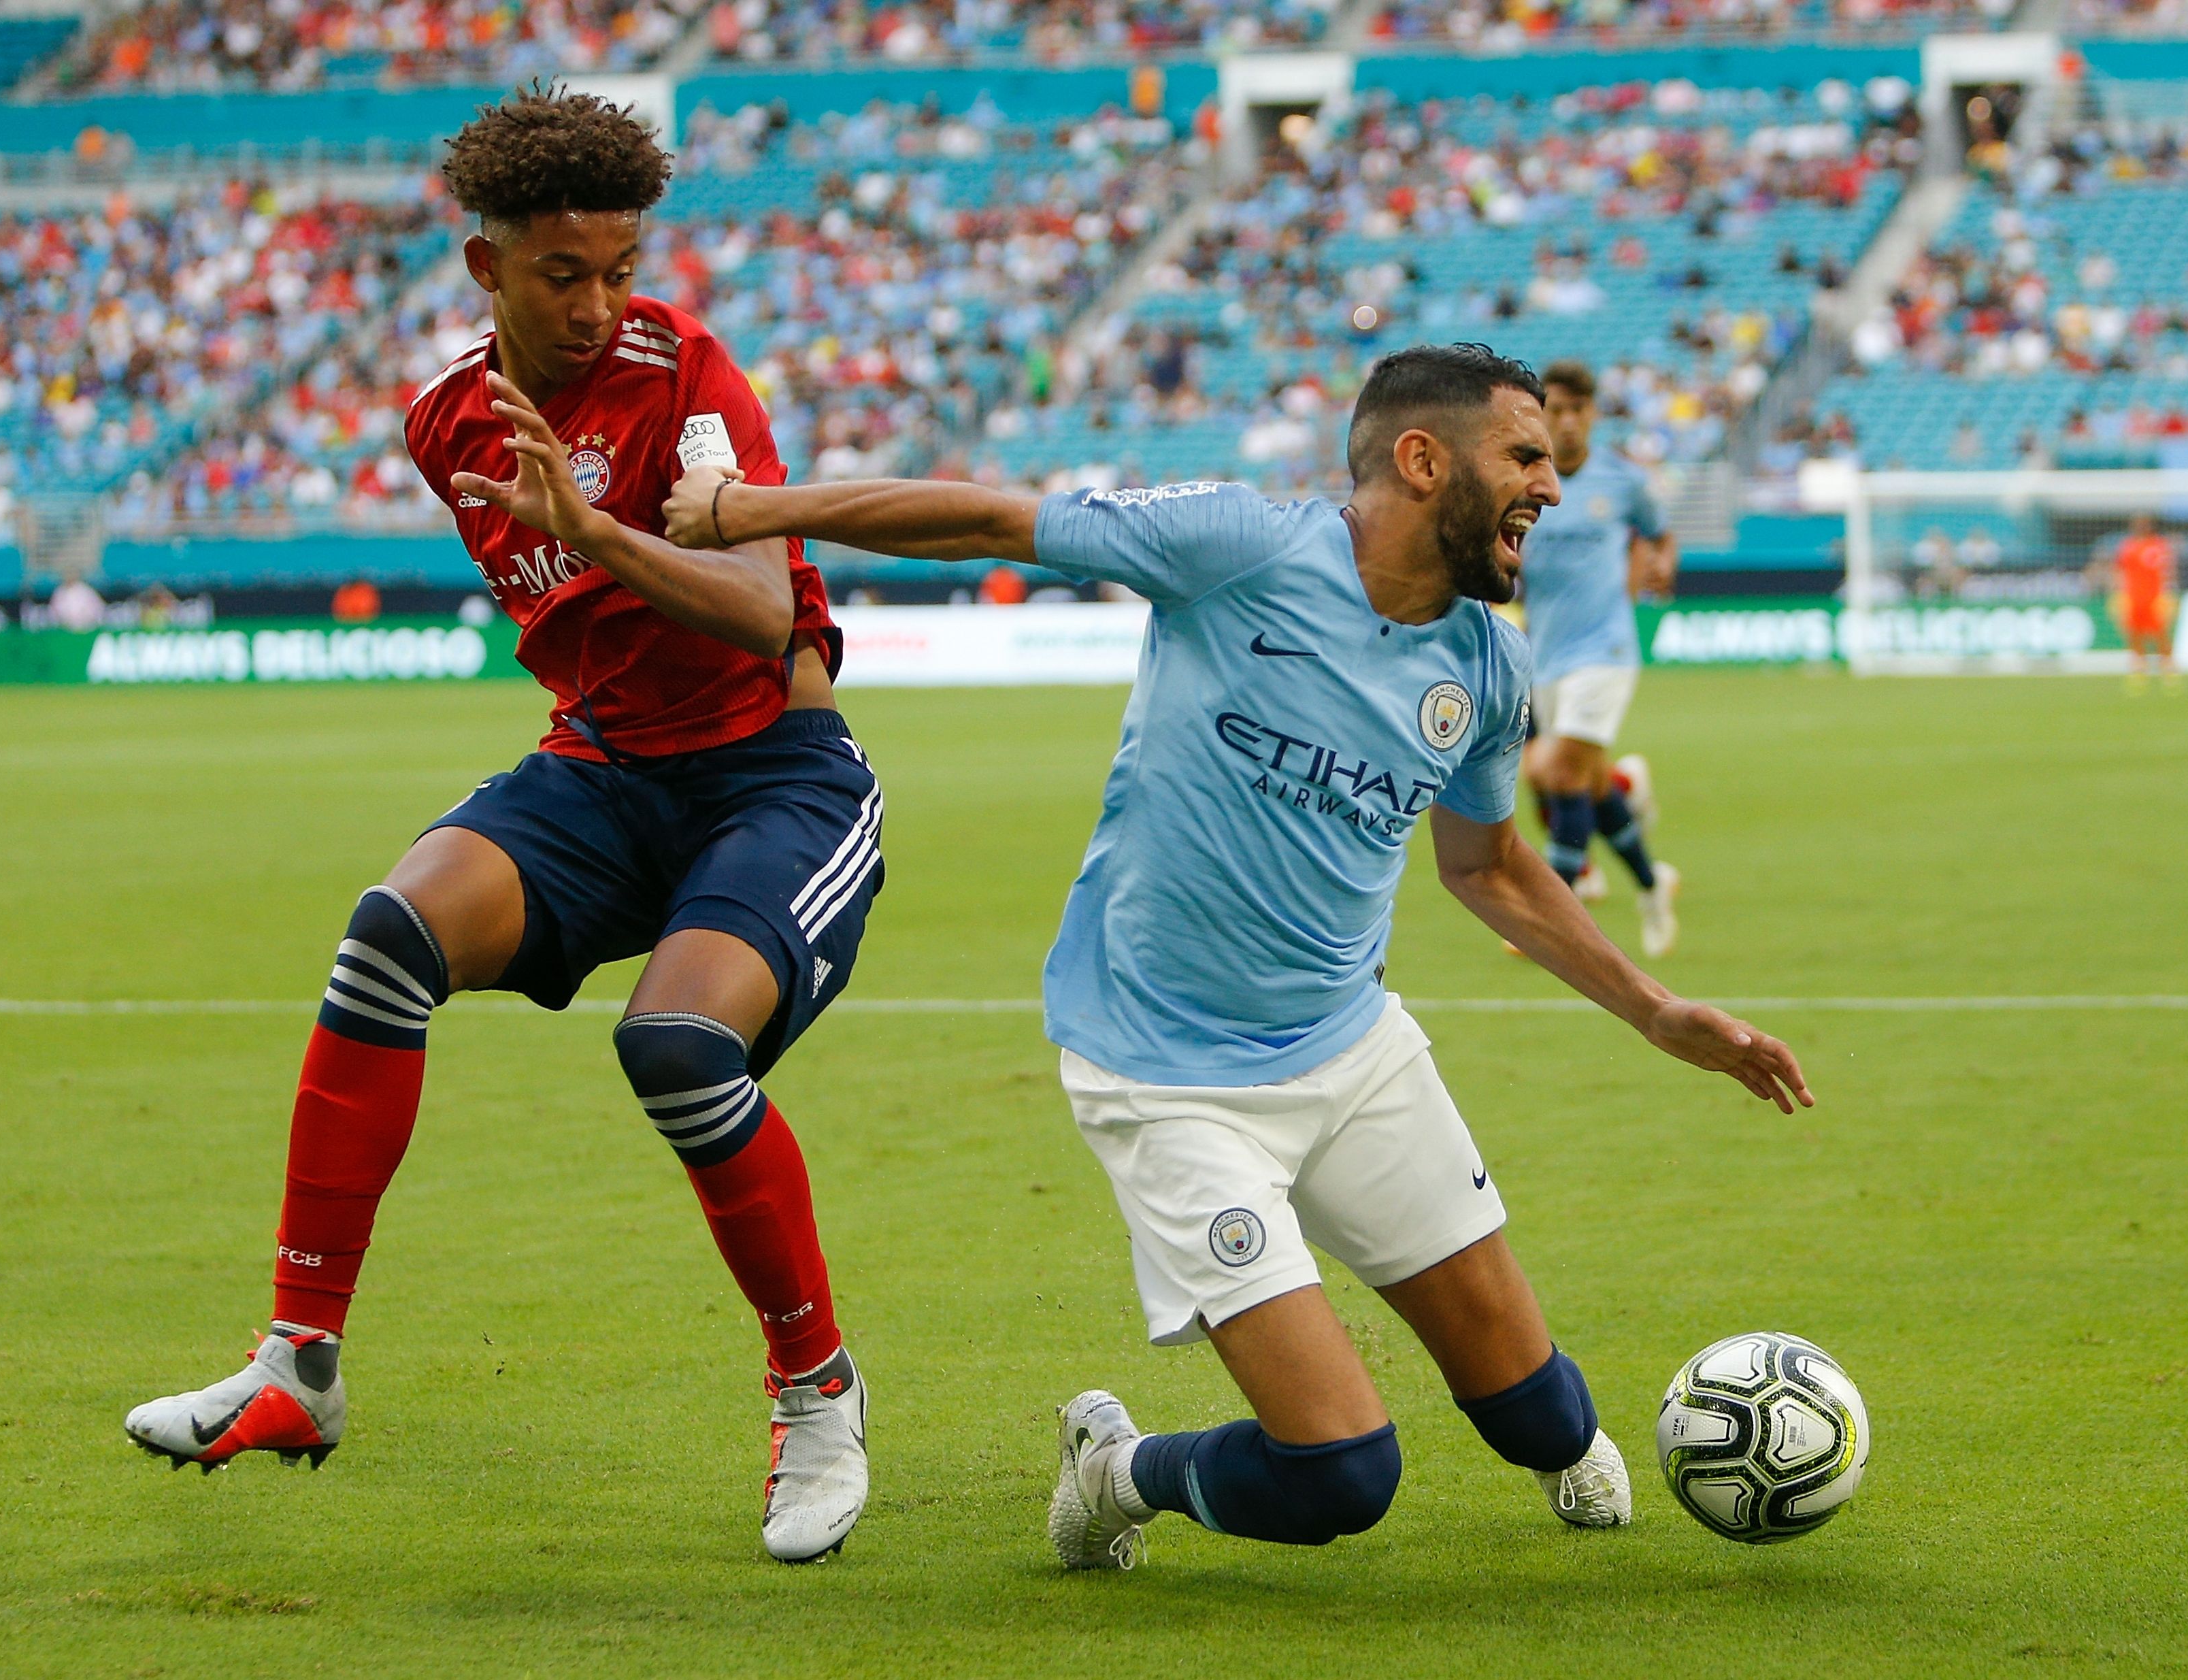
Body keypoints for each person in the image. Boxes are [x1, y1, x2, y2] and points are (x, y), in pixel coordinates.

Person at [665, 343, 1812, 1570]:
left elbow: (1484, 866)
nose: (1552, 484)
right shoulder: (1242, 548)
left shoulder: (1485, 663)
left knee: (1541, 1416)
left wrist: (1652, 1009)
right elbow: (990, 520)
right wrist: (746, 509)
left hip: (1353, 1054)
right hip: (1166, 1077)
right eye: (1523, 456)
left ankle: (1548, 1428)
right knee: (1339, 1472)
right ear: (1421, 461)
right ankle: (1116, 1466)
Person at [122, 86, 882, 1565]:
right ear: (488, 271)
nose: (601, 301)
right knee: (385, 939)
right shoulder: (442, 419)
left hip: (773, 774)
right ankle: (299, 1366)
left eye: (619, 265)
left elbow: (758, 608)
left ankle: (818, 1392)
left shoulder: (690, 375)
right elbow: (585, 656)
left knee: (673, 1047)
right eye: (562, 273)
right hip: (602, 769)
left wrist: (601, 529)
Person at [1514, 361, 1683, 957]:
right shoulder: (1524, 482)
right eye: (1553, 411)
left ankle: (1549, 922)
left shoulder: (1622, 480)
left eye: (1575, 411)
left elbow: (1659, 534)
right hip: (1545, 653)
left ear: (1592, 415)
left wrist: (1656, 570)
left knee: (1559, 772)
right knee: (1558, 776)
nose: (1565, 423)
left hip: (1606, 650)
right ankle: (1649, 875)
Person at [2108, 512, 2178, 692]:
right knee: (2135, 634)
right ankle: (2139, 669)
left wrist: (2168, 592)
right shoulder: (2127, 546)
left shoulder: (2158, 545)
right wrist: (2118, 591)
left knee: (2160, 634)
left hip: (2155, 596)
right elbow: (2119, 570)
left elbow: (2168, 570)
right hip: (2133, 596)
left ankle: (2168, 669)